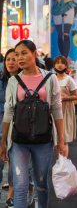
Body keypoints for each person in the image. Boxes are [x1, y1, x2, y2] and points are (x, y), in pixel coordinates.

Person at [0, 40, 67, 208]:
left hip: (43, 139)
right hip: (18, 140)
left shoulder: (50, 78)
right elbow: (8, 112)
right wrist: (3, 142)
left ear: (35, 54)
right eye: (16, 54)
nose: (19, 58)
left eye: (24, 53)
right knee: (21, 185)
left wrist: (62, 141)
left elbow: (57, 111)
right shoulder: (14, 81)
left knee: (42, 183)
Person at [0, 49, 21, 208]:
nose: (11, 62)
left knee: (16, 162)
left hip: (18, 127)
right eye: (8, 59)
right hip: (1, 124)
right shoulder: (1, 80)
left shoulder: (23, 81)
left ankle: (11, 195)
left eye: (14, 59)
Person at [53, 56, 77, 149]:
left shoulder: (69, 80)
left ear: (65, 65)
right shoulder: (52, 79)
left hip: (66, 111)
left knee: (64, 138)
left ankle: (63, 162)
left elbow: (76, 97)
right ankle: (60, 162)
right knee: (55, 138)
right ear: (54, 65)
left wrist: (65, 98)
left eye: (62, 63)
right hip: (54, 110)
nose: (59, 65)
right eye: (57, 63)